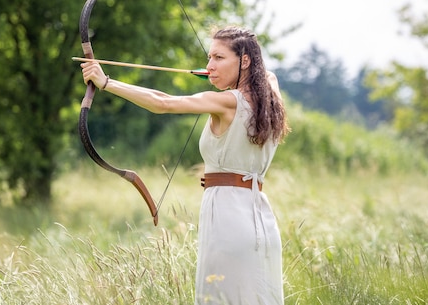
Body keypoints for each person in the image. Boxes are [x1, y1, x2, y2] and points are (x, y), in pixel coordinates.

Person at [81, 26, 289, 305]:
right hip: (260, 219)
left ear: (246, 60)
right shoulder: (271, 101)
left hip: (227, 219)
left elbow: (163, 102)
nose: (209, 66)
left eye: (218, 58)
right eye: (209, 58)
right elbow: (269, 77)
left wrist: (106, 82)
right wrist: (228, 73)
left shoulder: (226, 102)